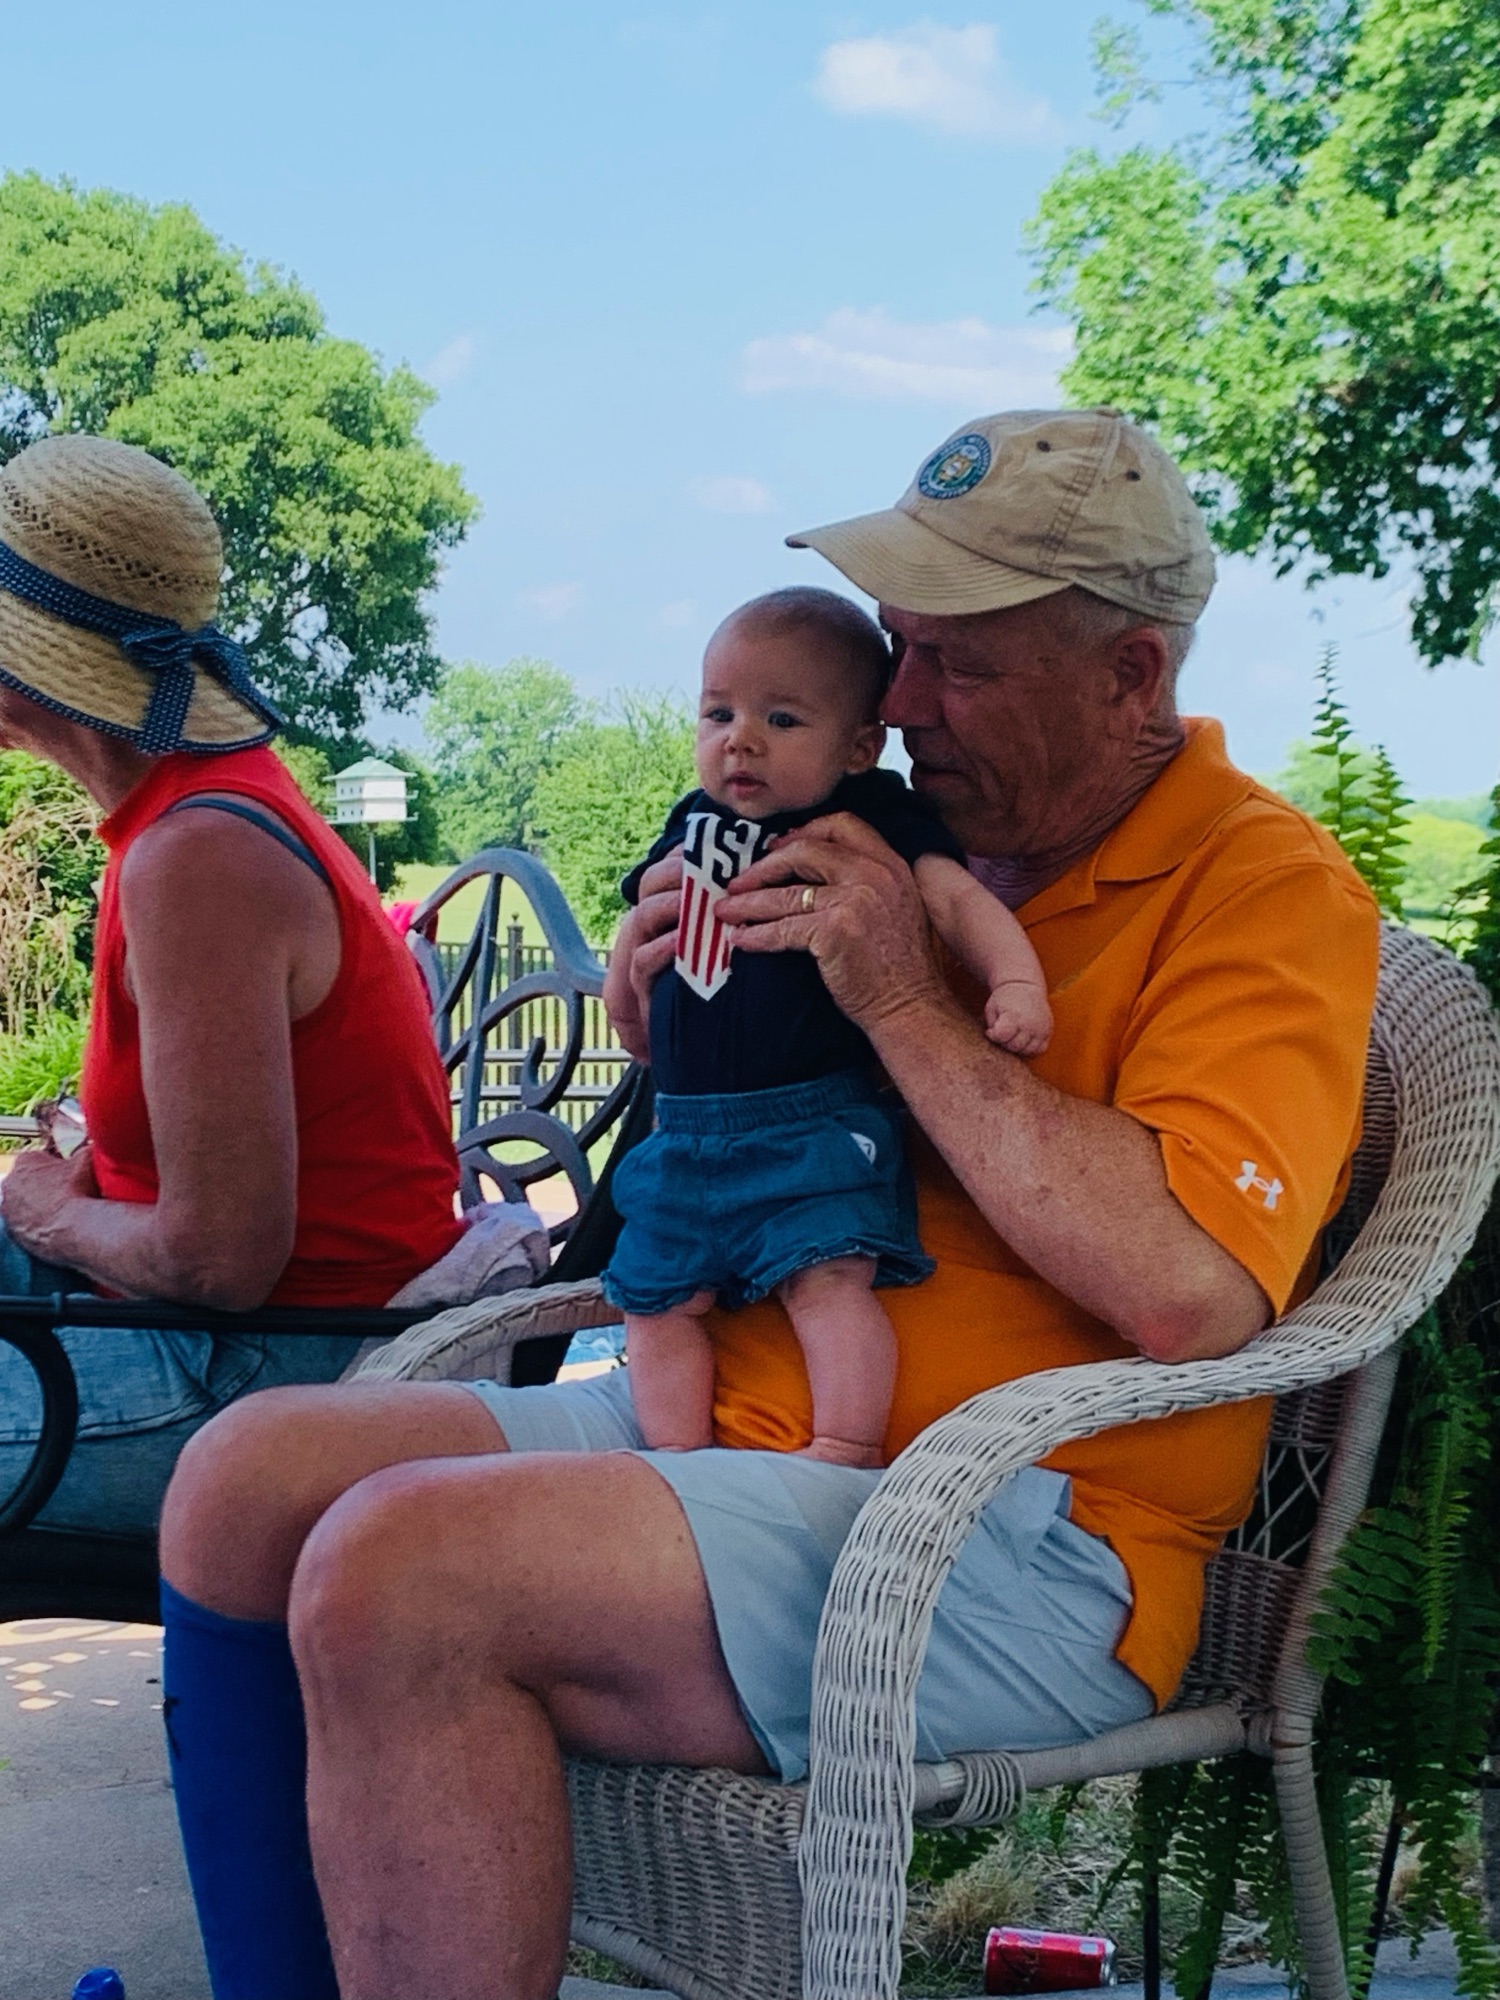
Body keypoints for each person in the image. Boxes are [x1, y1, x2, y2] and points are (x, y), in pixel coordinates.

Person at [157, 408, 1379, 2000]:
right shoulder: (883, 833)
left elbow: (1193, 1290)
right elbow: (755, 1121)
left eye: (959, 665)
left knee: (403, 1569)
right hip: (719, 1417)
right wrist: (667, 1002)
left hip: (1014, 1527)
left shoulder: (1263, 889)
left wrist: (907, 999)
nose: (902, 703)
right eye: (900, 647)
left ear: (1130, 677)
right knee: (244, 1478)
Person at [0, 433, 463, 1539]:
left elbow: (221, 1260)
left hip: (274, 1374)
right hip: (228, 1329)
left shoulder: (197, 856)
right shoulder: (191, 809)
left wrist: (52, 1214)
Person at [603, 584, 1049, 1466]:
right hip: (683, 1130)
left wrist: (1017, 981)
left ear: (858, 746)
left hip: (810, 1118)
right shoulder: (692, 824)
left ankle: (845, 1443)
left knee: (830, 1280)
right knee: (654, 1302)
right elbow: (641, 933)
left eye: (782, 719)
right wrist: (626, 1004)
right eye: (719, 713)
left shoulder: (869, 819)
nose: (741, 740)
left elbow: (956, 900)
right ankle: (676, 1461)